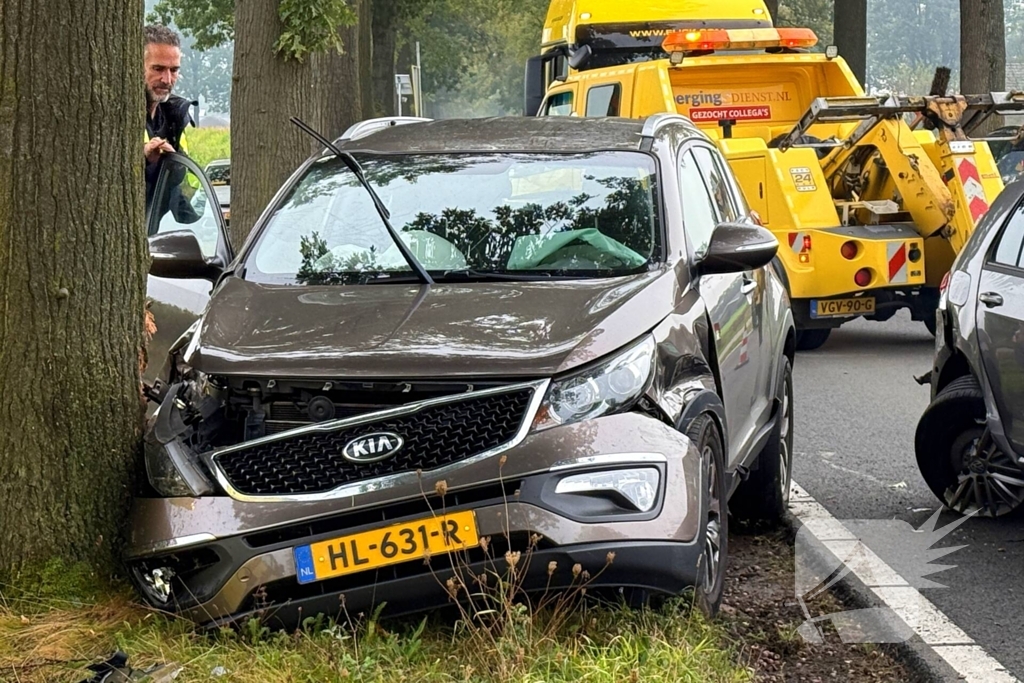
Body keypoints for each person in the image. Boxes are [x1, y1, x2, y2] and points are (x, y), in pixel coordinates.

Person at [144, 25, 197, 224]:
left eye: (173, 70)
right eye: (158, 69)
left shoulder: (175, 116)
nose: (167, 80)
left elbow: (176, 192)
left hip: (160, 241)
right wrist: (145, 159)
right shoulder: (116, 117)